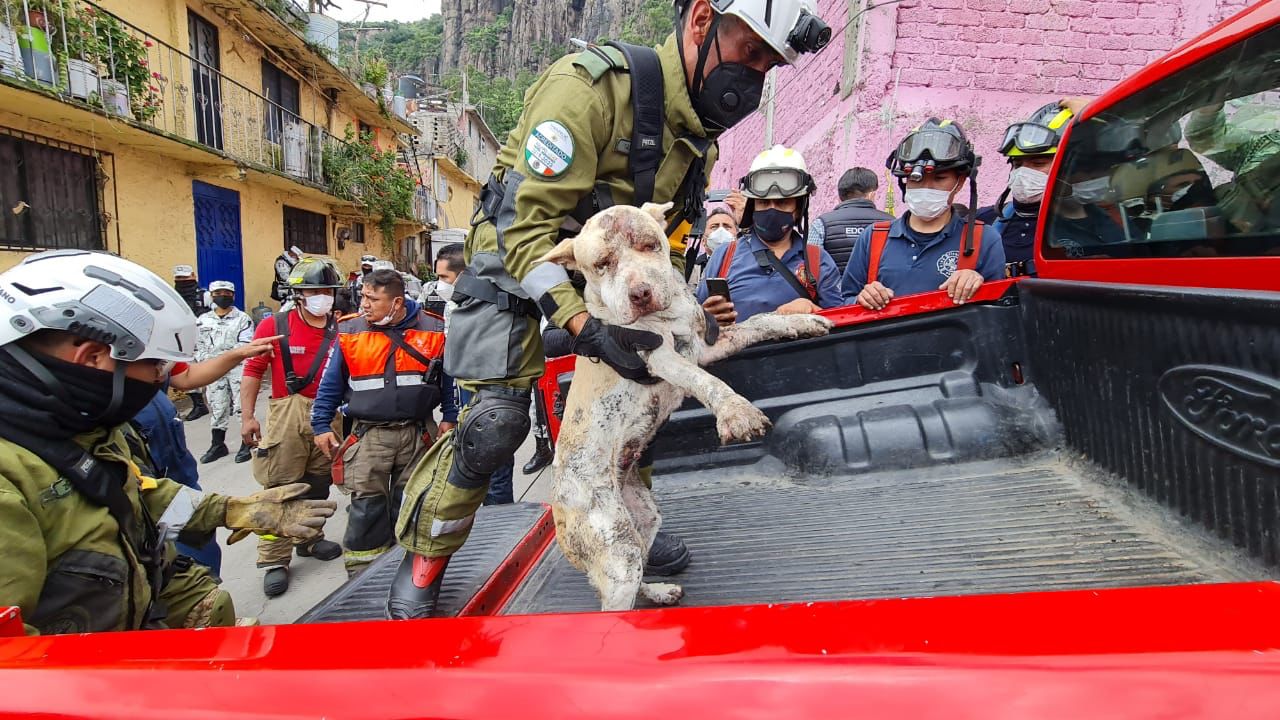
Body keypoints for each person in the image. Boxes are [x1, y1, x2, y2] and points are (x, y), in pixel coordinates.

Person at [386, 0, 832, 619]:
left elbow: (665, 237)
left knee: (642, 392)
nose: (752, 74)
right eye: (748, 51)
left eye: (766, 64)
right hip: (517, 267)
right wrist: (583, 328)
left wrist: (685, 308)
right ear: (702, 21)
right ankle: (425, 561)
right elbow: (524, 232)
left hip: (610, 278)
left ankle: (626, 524)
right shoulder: (589, 91)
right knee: (494, 423)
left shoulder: (695, 134)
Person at [0, 249, 337, 635]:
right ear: (92, 358)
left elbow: (135, 496)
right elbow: (19, 673)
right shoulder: (10, 479)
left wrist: (228, 510)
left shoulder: (85, 430)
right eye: (155, 364)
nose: (165, 377)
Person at [309, 269, 458, 575]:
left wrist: (451, 417)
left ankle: (411, 573)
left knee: (415, 503)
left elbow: (449, 378)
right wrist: (321, 425)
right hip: (370, 436)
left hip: (419, 434)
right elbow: (330, 384)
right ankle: (363, 577)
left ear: (397, 302)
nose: (364, 304)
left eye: (373, 299)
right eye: (363, 296)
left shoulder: (434, 327)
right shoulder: (350, 330)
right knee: (367, 508)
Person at [240, 257, 345, 598]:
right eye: (314, 290)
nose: (322, 296)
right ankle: (274, 560)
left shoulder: (342, 326)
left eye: (327, 290)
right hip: (286, 413)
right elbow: (253, 370)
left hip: (329, 416)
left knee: (318, 483)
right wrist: (247, 416)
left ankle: (309, 539)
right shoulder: (274, 325)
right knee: (280, 487)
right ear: (299, 294)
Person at [842, 119, 1006, 310]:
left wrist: (979, 285)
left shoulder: (984, 239)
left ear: (960, 182)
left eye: (939, 178)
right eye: (916, 179)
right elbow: (845, 301)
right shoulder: (873, 237)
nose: (926, 187)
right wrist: (862, 299)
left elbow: (999, 310)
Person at [696, 145, 842, 322]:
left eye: (783, 203)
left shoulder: (818, 261)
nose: (772, 209)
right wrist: (706, 318)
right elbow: (695, 322)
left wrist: (814, 311)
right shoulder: (724, 256)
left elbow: (840, 323)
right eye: (764, 203)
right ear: (753, 206)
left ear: (799, 208)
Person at [976, 103, 1075, 273]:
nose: (1023, 172)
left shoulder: (1093, 225)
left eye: (1038, 163)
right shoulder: (984, 221)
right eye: (1017, 164)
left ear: (1068, 166)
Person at [194, 280, 254, 465]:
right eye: (219, 293)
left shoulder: (243, 319)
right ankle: (218, 444)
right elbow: (198, 345)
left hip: (237, 368)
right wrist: (207, 363)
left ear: (233, 296)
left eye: (227, 293)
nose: (223, 296)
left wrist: (227, 359)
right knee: (218, 406)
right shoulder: (203, 320)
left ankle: (247, 443)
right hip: (213, 369)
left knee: (241, 406)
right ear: (211, 296)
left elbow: (245, 344)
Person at [814, 167, 893, 274]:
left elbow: (812, 265)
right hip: (878, 290)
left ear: (840, 196)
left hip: (833, 290)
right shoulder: (893, 223)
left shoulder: (821, 223)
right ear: (871, 194)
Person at [172, 264, 211, 421]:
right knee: (186, 371)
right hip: (184, 339)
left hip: (205, 338)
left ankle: (227, 402)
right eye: (179, 278)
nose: (183, 281)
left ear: (193, 276)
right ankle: (199, 405)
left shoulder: (205, 296)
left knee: (212, 369)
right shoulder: (173, 297)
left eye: (185, 277)